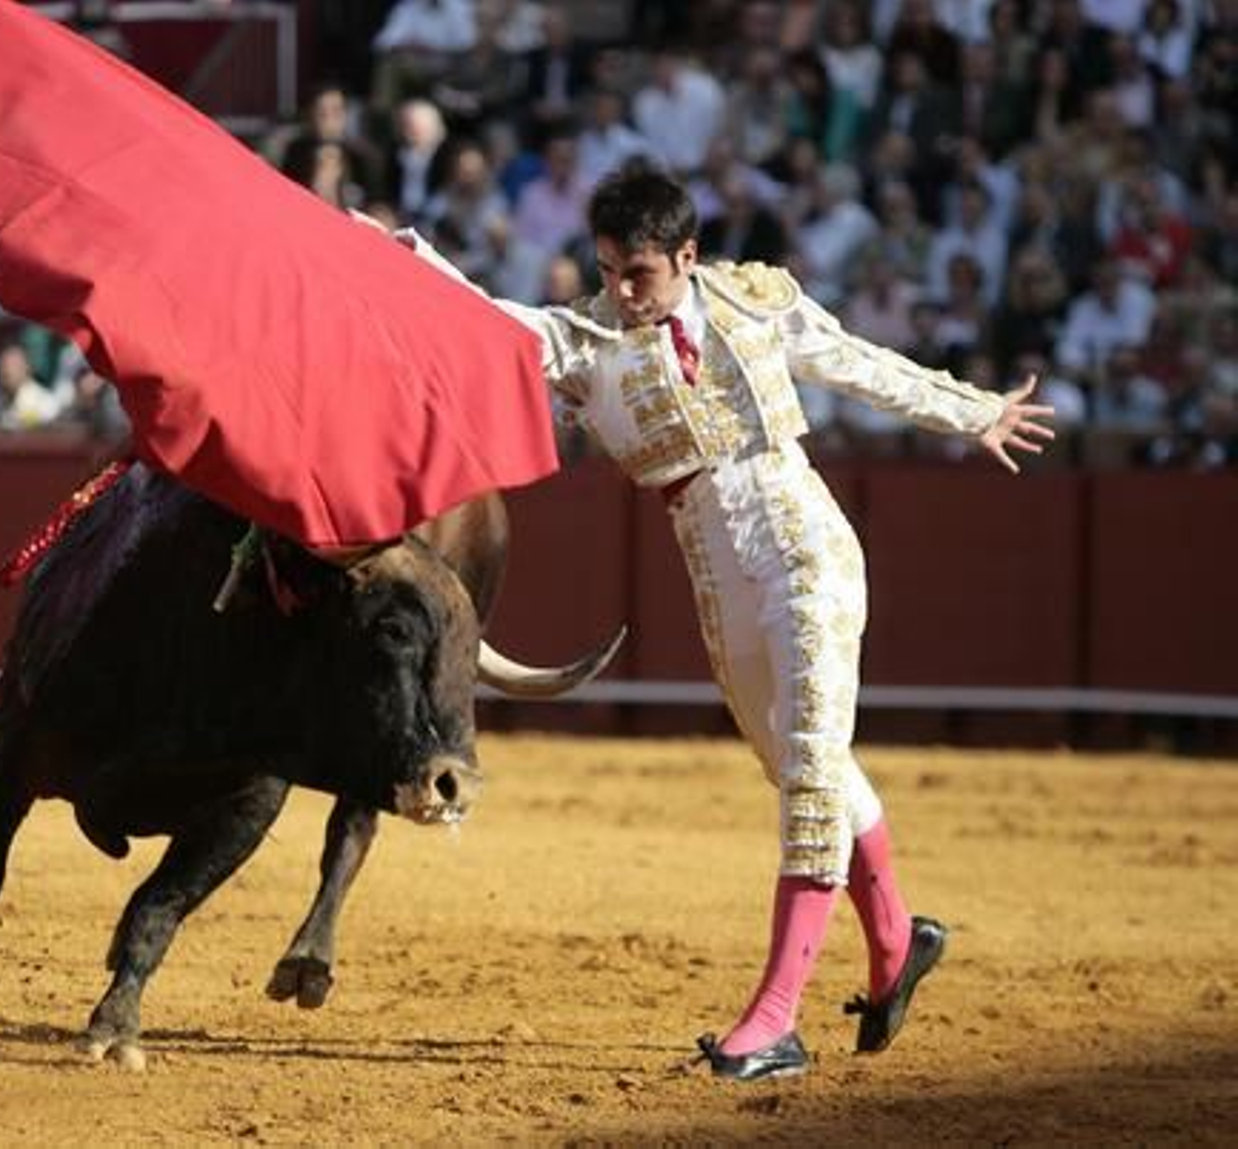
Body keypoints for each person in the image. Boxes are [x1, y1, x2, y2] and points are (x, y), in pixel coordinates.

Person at [389, 165, 1055, 1080]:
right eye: (610, 270)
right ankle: (899, 939)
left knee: (814, 760)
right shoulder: (583, 342)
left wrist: (974, 410)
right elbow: (480, 317)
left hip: (805, 541)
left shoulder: (755, 299)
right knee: (795, 761)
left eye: (642, 275)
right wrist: (403, 258)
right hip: (714, 571)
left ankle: (777, 1017)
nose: (623, 293)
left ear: (688, 258)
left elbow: (853, 360)